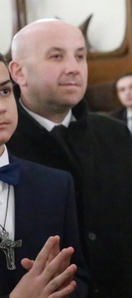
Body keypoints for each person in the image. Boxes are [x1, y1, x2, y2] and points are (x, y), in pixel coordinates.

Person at [8, 19, 132, 297]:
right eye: (56, 56)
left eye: (80, 56)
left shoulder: (114, 135)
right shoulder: (6, 146)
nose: (73, 67)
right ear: (19, 72)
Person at [0, 54, 88, 296]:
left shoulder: (55, 184)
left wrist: (57, 287)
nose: (1, 106)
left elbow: (79, 276)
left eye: (5, 91)